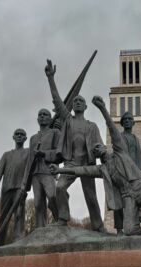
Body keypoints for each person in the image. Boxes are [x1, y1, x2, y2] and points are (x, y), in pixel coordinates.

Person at [50, 96, 141, 238]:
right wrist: (59, 170)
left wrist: (103, 108)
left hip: (139, 187)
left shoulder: (119, 149)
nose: (98, 150)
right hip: (128, 195)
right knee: (129, 230)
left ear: (105, 147)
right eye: (95, 150)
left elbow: (112, 128)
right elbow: (79, 170)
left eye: (99, 147)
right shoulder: (102, 169)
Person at [45, 59, 105, 232]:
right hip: (70, 163)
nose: (77, 102)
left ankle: (98, 225)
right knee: (60, 187)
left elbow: (99, 145)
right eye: (75, 101)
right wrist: (51, 78)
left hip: (87, 163)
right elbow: (57, 101)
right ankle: (63, 218)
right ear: (72, 106)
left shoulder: (92, 126)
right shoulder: (68, 120)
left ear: (85, 106)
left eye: (81, 101)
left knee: (91, 197)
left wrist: (101, 152)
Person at [21, 109, 60, 228]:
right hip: (35, 174)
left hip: (48, 171)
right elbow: (29, 160)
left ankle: (60, 221)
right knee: (38, 204)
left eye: (45, 115)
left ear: (50, 118)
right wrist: (24, 182)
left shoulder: (55, 133)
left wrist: (43, 153)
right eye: (40, 115)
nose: (42, 117)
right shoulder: (33, 138)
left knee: (52, 197)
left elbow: (59, 153)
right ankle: (40, 228)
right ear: (37, 119)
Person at [0, 128, 29, 245]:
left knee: (19, 213)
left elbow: (30, 169)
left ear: (25, 138)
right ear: (13, 137)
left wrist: (26, 185)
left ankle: (19, 238)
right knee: (3, 215)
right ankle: (0, 241)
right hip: (7, 187)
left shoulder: (28, 152)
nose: (19, 136)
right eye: (17, 134)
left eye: (22, 134)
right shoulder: (6, 155)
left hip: (20, 187)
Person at [114, 111, 141, 235]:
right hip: (123, 174)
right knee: (120, 201)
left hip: (136, 175)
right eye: (125, 119)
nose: (127, 120)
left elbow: (139, 157)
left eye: (129, 119)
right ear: (122, 123)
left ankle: (136, 227)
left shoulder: (135, 138)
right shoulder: (119, 136)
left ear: (133, 122)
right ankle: (119, 229)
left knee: (136, 201)